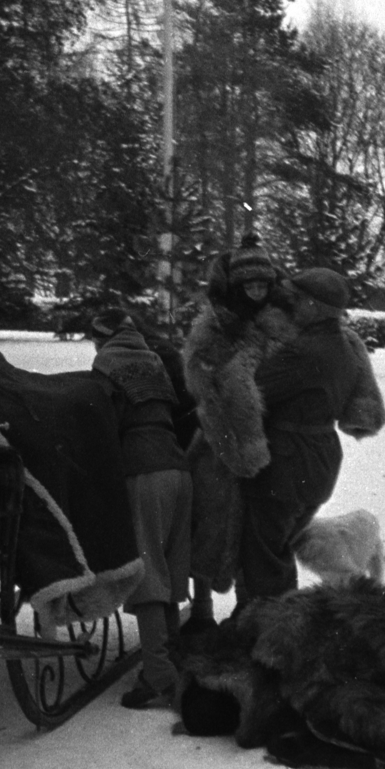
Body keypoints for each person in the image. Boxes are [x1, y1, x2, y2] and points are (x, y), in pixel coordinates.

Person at [235, 267, 385, 604]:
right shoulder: (346, 347)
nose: (293, 306)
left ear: (315, 306)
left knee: (265, 556)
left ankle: (271, 629)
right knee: (278, 548)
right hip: (319, 460)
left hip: (288, 463)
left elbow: (252, 391)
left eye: (299, 300)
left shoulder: (303, 351)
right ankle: (272, 622)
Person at [181, 235, 297, 631]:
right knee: (207, 526)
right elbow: (198, 376)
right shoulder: (213, 325)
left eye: (263, 285)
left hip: (266, 443)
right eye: (249, 285)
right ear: (235, 286)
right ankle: (200, 610)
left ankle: (249, 609)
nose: (257, 292)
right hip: (217, 445)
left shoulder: (281, 324)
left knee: (255, 533)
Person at [90, 308, 193, 709]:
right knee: (167, 567)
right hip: (178, 469)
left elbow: (106, 421)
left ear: (101, 338)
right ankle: (169, 662)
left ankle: (160, 676)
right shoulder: (153, 358)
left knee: (148, 574)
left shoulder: (107, 362)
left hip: (143, 470)